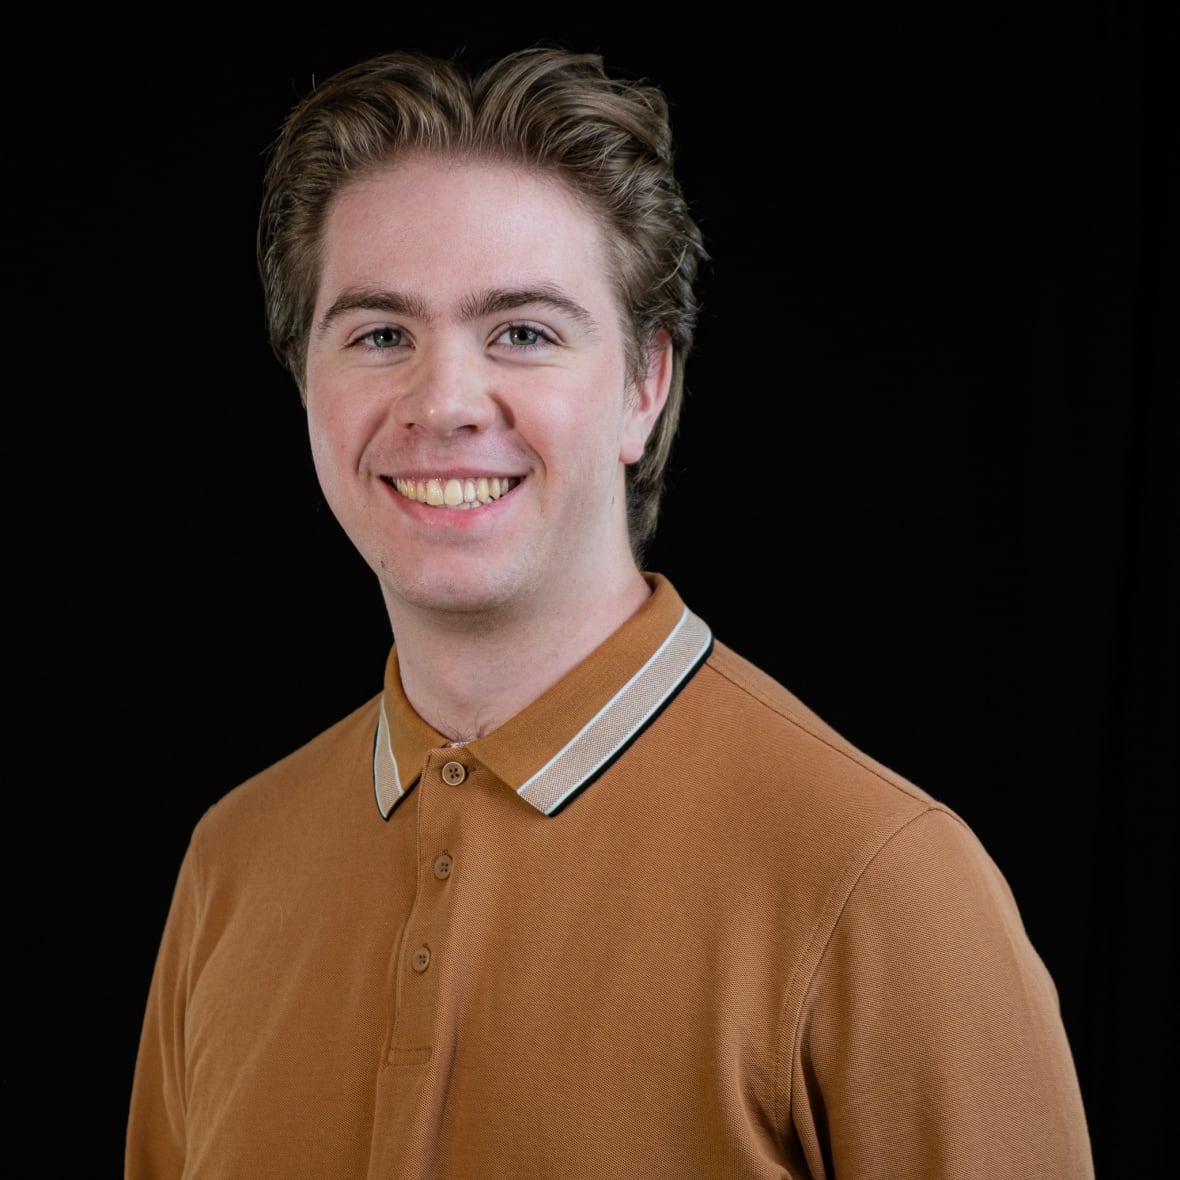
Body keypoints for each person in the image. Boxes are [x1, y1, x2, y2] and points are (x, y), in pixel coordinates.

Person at [125, 45, 1094, 1179]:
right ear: (306, 383)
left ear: (645, 385)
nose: (441, 401)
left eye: (523, 332)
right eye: (379, 333)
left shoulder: (881, 882)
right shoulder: (231, 865)